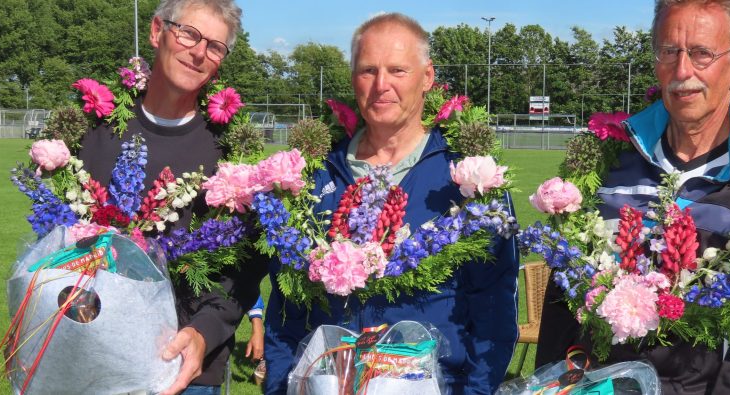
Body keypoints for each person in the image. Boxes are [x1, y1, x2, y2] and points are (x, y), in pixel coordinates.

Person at [535, 0, 730, 394]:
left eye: (702, 53)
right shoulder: (608, 165)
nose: (683, 71)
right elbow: (565, 297)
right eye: (669, 52)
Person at [262, 13, 520, 395]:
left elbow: (494, 310)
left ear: (427, 77)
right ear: (353, 78)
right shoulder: (314, 176)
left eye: (397, 70)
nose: (381, 85)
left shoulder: (469, 180)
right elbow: (286, 307)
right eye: (368, 70)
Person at [76, 0, 265, 393]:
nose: (198, 52)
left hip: (181, 366)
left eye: (215, 46)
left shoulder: (229, 155)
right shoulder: (95, 132)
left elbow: (242, 270)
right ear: (157, 31)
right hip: (89, 351)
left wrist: (203, 333)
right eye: (189, 33)